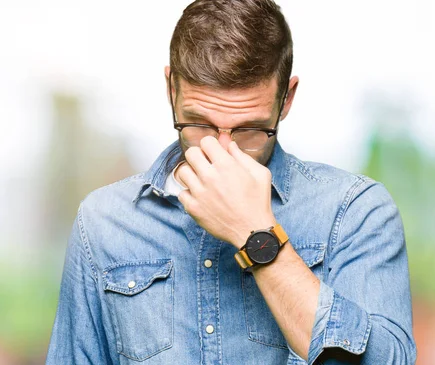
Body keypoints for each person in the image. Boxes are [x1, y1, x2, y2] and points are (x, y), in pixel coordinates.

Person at [46, 1, 416, 364]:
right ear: (171, 89)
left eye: (250, 129)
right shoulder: (103, 221)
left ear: (286, 99)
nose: (220, 150)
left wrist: (255, 233)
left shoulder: (354, 211)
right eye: (199, 123)